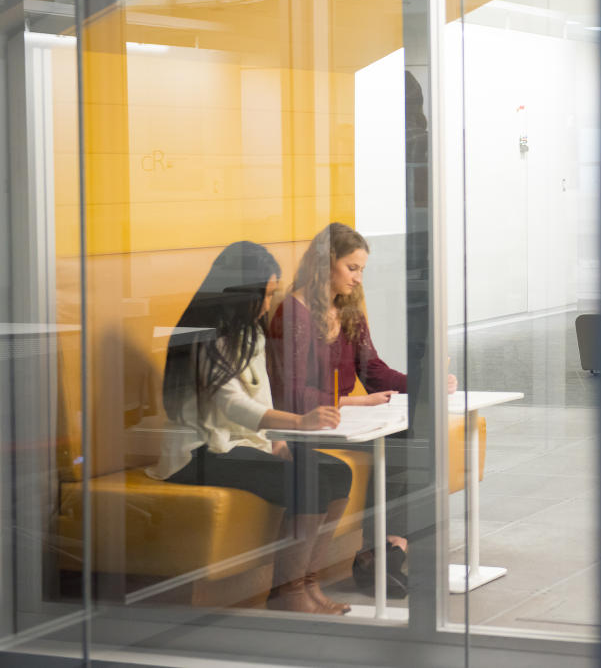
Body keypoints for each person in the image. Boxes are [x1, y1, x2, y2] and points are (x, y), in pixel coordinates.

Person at [152, 241, 353, 615]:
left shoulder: (250, 333)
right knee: (307, 478)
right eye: (265, 295)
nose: (267, 304)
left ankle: (308, 583)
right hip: (199, 453)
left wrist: (275, 442)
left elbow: (262, 398)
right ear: (242, 292)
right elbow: (230, 403)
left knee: (337, 472)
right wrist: (296, 423)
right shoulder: (200, 334)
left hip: (240, 444)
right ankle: (287, 593)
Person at [266, 222, 456, 594]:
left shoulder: (349, 311)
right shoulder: (292, 315)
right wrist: (349, 400)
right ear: (325, 264)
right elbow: (289, 395)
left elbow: (373, 371)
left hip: (342, 420)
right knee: (400, 443)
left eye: (362, 270)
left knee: (412, 436)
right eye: (352, 268)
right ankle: (376, 559)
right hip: (305, 425)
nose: (357, 279)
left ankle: (386, 549)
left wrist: (424, 385)